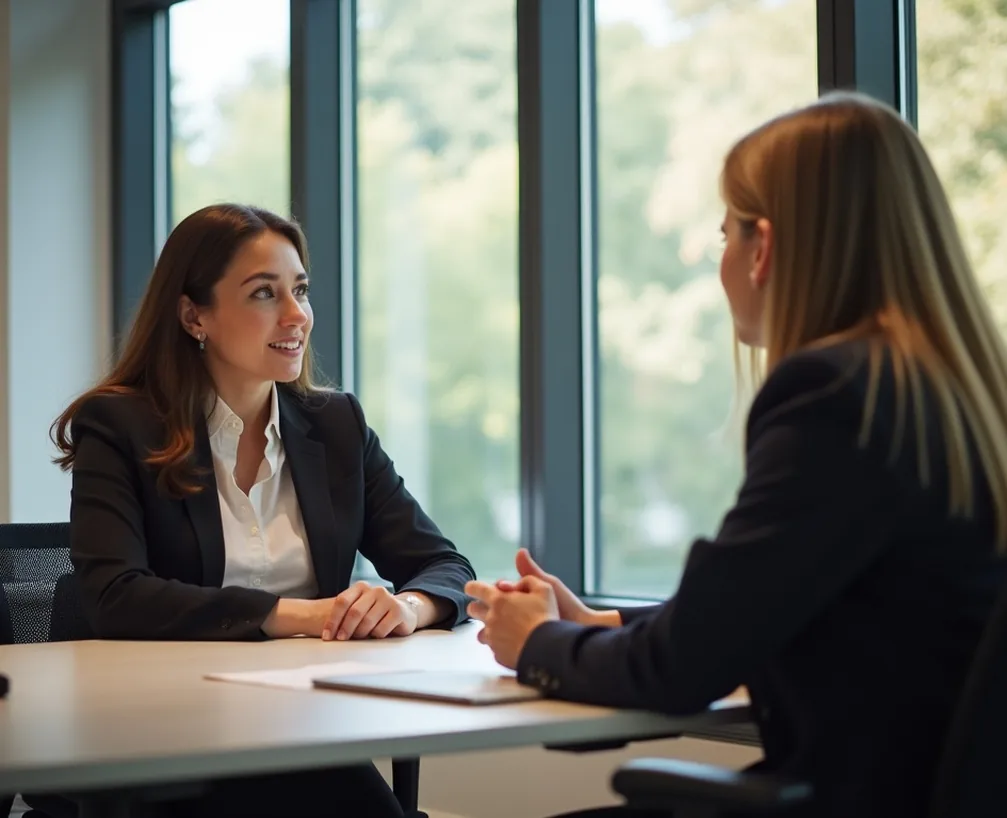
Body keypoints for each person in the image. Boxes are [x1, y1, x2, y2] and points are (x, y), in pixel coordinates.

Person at [466, 91, 1007, 818]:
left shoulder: (834, 397)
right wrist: (597, 627)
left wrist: (536, 643)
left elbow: (683, 671)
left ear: (766, 248)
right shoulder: (954, 390)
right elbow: (771, 604)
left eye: (725, 236)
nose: (720, 263)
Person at [50, 203, 475, 818]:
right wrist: (303, 614)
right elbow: (115, 595)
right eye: (263, 293)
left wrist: (405, 608)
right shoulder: (120, 426)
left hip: (305, 733)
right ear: (195, 315)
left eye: (299, 290)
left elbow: (444, 565)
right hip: (166, 742)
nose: (296, 314)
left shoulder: (337, 427)